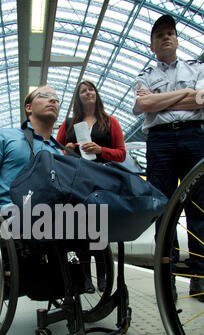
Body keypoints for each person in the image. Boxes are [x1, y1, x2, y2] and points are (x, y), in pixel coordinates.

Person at [133, 14, 204, 302]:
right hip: (159, 141)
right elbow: (143, 103)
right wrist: (187, 94)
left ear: (177, 39)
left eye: (170, 33)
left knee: (200, 206)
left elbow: (202, 100)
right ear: (152, 45)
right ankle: (167, 279)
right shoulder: (144, 75)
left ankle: (200, 278)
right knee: (163, 208)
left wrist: (161, 101)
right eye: (160, 34)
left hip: (194, 137)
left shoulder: (198, 68)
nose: (166, 36)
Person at [57, 80, 126, 293]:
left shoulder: (110, 122)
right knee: (81, 231)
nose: (88, 93)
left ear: (97, 94)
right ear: (78, 98)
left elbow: (121, 154)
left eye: (91, 89)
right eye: (83, 91)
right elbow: (55, 152)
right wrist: (66, 150)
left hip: (101, 181)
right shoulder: (68, 125)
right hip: (77, 183)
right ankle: (85, 278)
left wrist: (100, 150)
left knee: (100, 230)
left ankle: (103, 277)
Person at [0, 85, 63, 236]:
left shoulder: (59, 152)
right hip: (13, 216)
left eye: (57, 99)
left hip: (52, 217)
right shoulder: (5, 137)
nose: (52, 99)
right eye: (44, 95)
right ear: (29, 107)